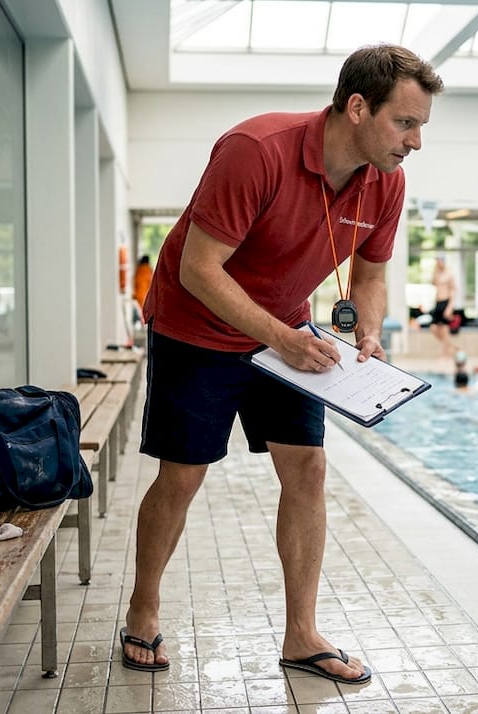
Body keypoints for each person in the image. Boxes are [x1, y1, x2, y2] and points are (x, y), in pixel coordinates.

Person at [125, 44, 443, 681]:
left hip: (283, 325)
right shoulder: (257, 150)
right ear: (357, 107)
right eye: (404, 123)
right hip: (196, 322)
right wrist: (285, 337)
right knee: (184, 474)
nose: (414, 142)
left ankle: (301, 633)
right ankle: (143, 609)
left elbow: (371, 272)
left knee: (308, 468)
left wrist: (370, 333)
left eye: (420, 127)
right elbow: (197, 268)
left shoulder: (387, 180)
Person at [429, 256, 457, 358]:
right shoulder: (437, 273)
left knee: (444, 330)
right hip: (438, 303)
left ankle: (445, 354)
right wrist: (435, 271)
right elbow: (433, 283)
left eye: (439, 261)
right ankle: (453, 348)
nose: (438, 263)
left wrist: (450, 307)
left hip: (446, 302)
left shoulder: (449, 274)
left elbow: (453, 290)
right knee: (433, 328)